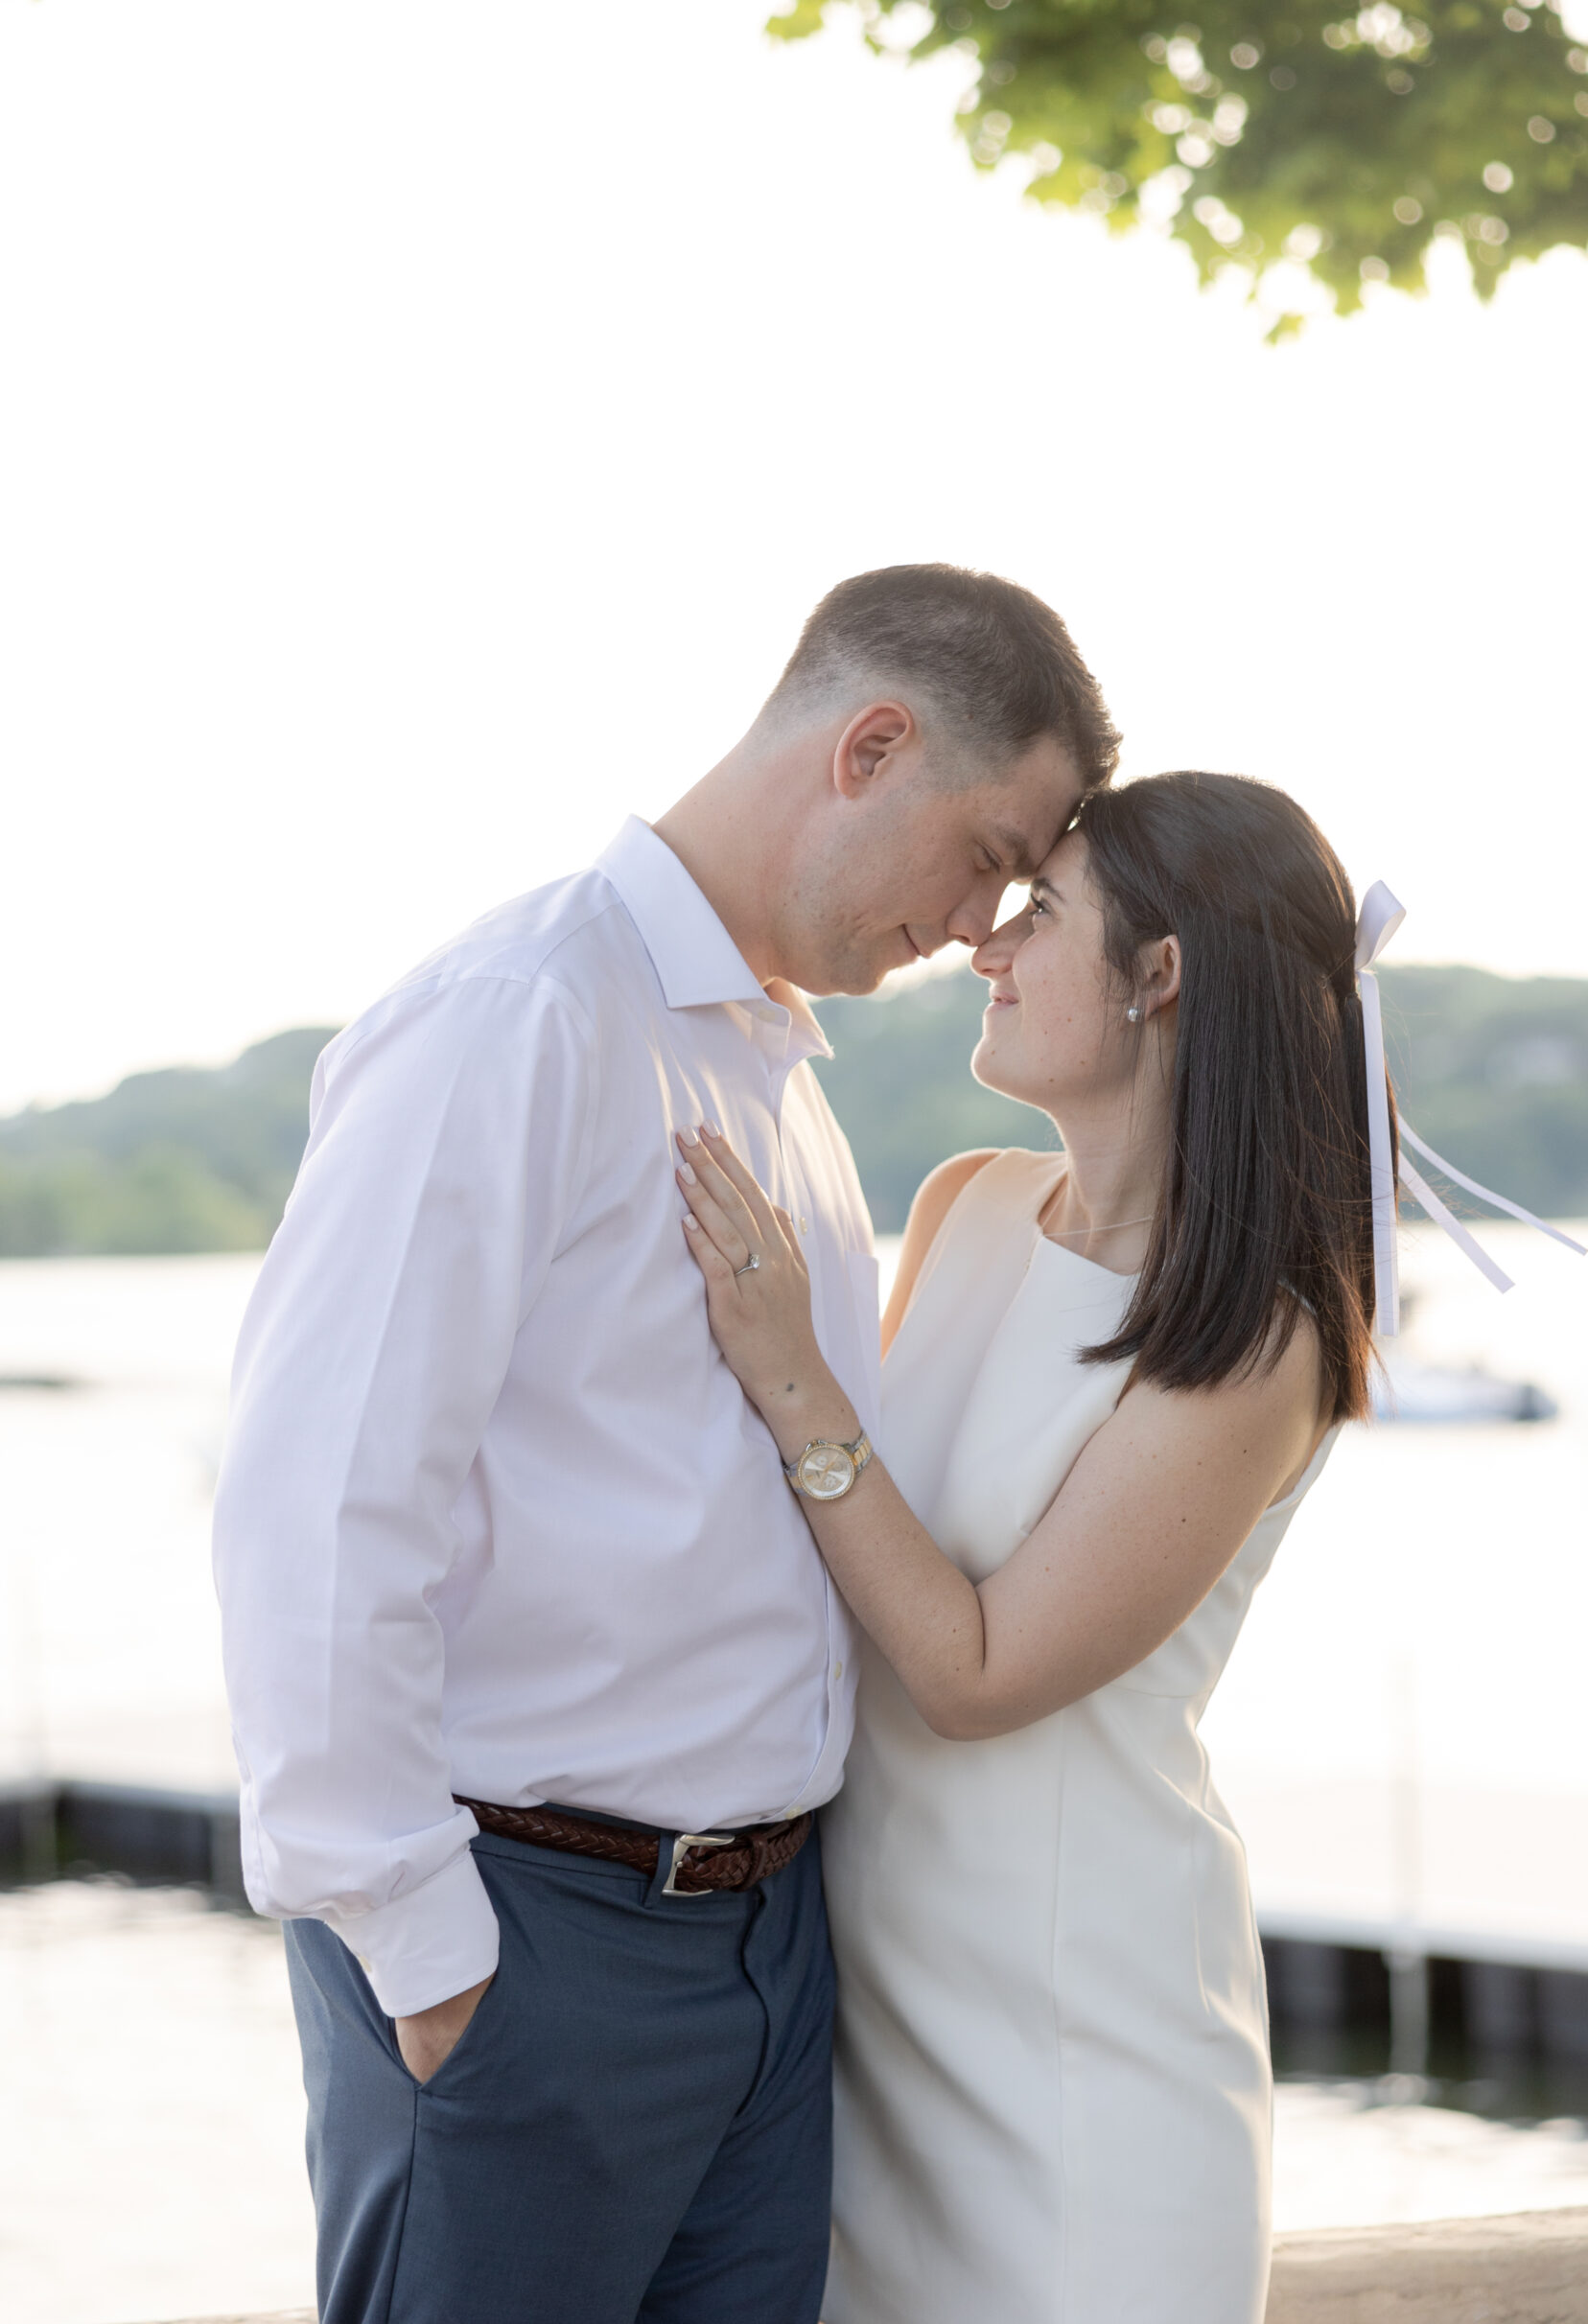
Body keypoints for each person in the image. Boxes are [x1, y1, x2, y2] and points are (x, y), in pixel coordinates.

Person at [211, 563, 1116, 2324]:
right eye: (990, 853)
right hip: (531, 1947)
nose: (983, 919)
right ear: (870, 746)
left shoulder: (782, 1078)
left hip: (768, 1963)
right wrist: (427, 1958)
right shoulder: (519, 1018)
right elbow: (316, 1510)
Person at [671, 771, 1388, 2324]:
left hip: (1083, 2071)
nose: (985, 942)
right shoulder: (968, 1204)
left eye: (1041, 908)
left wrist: (790, 1364)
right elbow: (843, 1550)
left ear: (1163, 976)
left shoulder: (1256, 1334)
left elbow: (973, 1673)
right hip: (872, 2044)